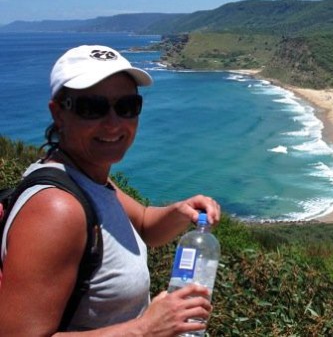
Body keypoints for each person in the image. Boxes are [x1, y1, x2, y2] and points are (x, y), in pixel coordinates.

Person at [0, 45, 221, 335]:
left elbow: (143, 224)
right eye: (92, 107)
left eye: (127, 106)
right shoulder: (57, 209)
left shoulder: (89, 179)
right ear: (58, 113)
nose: (114, 123)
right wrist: (145, 328)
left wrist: (180, 212)